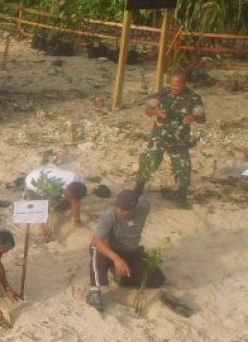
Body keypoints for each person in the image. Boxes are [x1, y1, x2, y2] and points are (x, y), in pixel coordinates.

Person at [135, 70, 206, 208]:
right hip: (159, 137)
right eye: (172, 84)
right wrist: (155, 112)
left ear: (184, 84)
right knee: (148, 162)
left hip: (179, 140)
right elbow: (147, 111)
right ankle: (137, 190)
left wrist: (192, 118)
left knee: (184, 168)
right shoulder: (162, 94)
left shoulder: (193, 98)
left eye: (178, 85)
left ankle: (182, 197)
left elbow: (202, 118)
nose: (174, 88)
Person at [86, 189, 163, 311]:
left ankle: (121, 276)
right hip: (110, 250)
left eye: (125, 209)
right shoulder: (110, 214)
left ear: (135, 208)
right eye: (119, 207)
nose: (120, 210)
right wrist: (117, 259)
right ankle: (94, 291)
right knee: (95, 248)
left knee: (157, 280)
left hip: (131, 251)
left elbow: (143, 196)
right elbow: (96, 240)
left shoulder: (144, 206)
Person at [22, 166, 90, 231]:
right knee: (42, 206)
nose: (68, 199)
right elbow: (44, 206)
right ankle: (42, 227)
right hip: (33, 183)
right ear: (65, 188)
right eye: (68, 197)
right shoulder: (50, 189)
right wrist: (43, 225)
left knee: (65, 203)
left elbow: (76, 201)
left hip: (43, 174)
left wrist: (77, 221)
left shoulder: (77, 180)